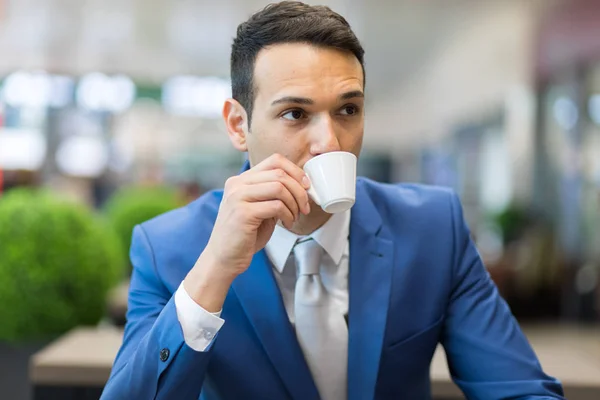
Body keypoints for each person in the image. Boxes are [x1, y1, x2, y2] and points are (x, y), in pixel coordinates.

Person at [101, 2, 564, 399]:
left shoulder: (432, 230)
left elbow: (519, 387)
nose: (330, 141)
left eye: (348, 110)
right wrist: (215, 269)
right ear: (239, 125)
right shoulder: (169, 248)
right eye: (295, 113)